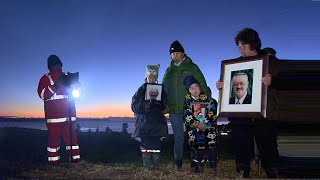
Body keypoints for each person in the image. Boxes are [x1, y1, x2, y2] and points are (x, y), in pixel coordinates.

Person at [216, 28, 280, 178]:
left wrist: (274, 81)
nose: (240, 49)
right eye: (239, 46)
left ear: (254, 44)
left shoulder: (270, 62)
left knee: (267, 144)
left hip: (265, 113)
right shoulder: (235, 65)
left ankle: (272, 170)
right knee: (241, 144)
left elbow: (287, 82)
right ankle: (243, 170)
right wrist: (222, 85)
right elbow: (231, 88)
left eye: (243, 46)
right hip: (240, 115)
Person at [162, 40, 212, 171]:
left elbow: (202, 83)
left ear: (183, 54)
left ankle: (195, 162)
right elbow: (164, 89)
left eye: (178, 53)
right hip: (174, 109)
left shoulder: (192, 67)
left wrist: (206, 102)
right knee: (178, 137)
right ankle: (177, 162)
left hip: (192, 107)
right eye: (173, 54)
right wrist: (163, 104)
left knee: (194, 135)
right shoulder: (168, 71)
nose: (175, 56)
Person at [37, 55, 81, 166]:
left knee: (72, 143)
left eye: (58, 64)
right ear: (50, 66)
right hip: (53, 121)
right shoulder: (45, 79)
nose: (56, 66)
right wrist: (55, 86)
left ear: (61, 64)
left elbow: (77, 93)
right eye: (54, 64)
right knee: (53, 144)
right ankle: (53, 165)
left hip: (69, 118)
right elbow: (43, 95)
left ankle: (75, 163)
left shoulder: (67, 77)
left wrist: (76, 84)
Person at [131, 64, 169, 171]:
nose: (152, 79)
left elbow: (166, 105)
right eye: (150, 77)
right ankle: (147, 168)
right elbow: (133, 106)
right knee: (145, 147)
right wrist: (144, 106)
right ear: (146, 77)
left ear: (156, 78)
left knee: (156, 148)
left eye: (154, 77)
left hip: (157, 125)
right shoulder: (141, 90)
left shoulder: (162, 91)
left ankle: (156, 168)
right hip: (144, 125)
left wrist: (162, 106)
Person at [183, 75, 219, 174]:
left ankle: (213, 165)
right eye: (191, 88)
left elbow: (212, 113)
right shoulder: (187, 103)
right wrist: (197, 124)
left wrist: (206, 123)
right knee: (196, 150)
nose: (195, 90)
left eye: (196, 87)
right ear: (189, 90)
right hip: (194, 131)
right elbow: (187, 116)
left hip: (208, 130)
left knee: (211, 149)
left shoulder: (209, 100)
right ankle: (198, 165)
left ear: (200, 87)